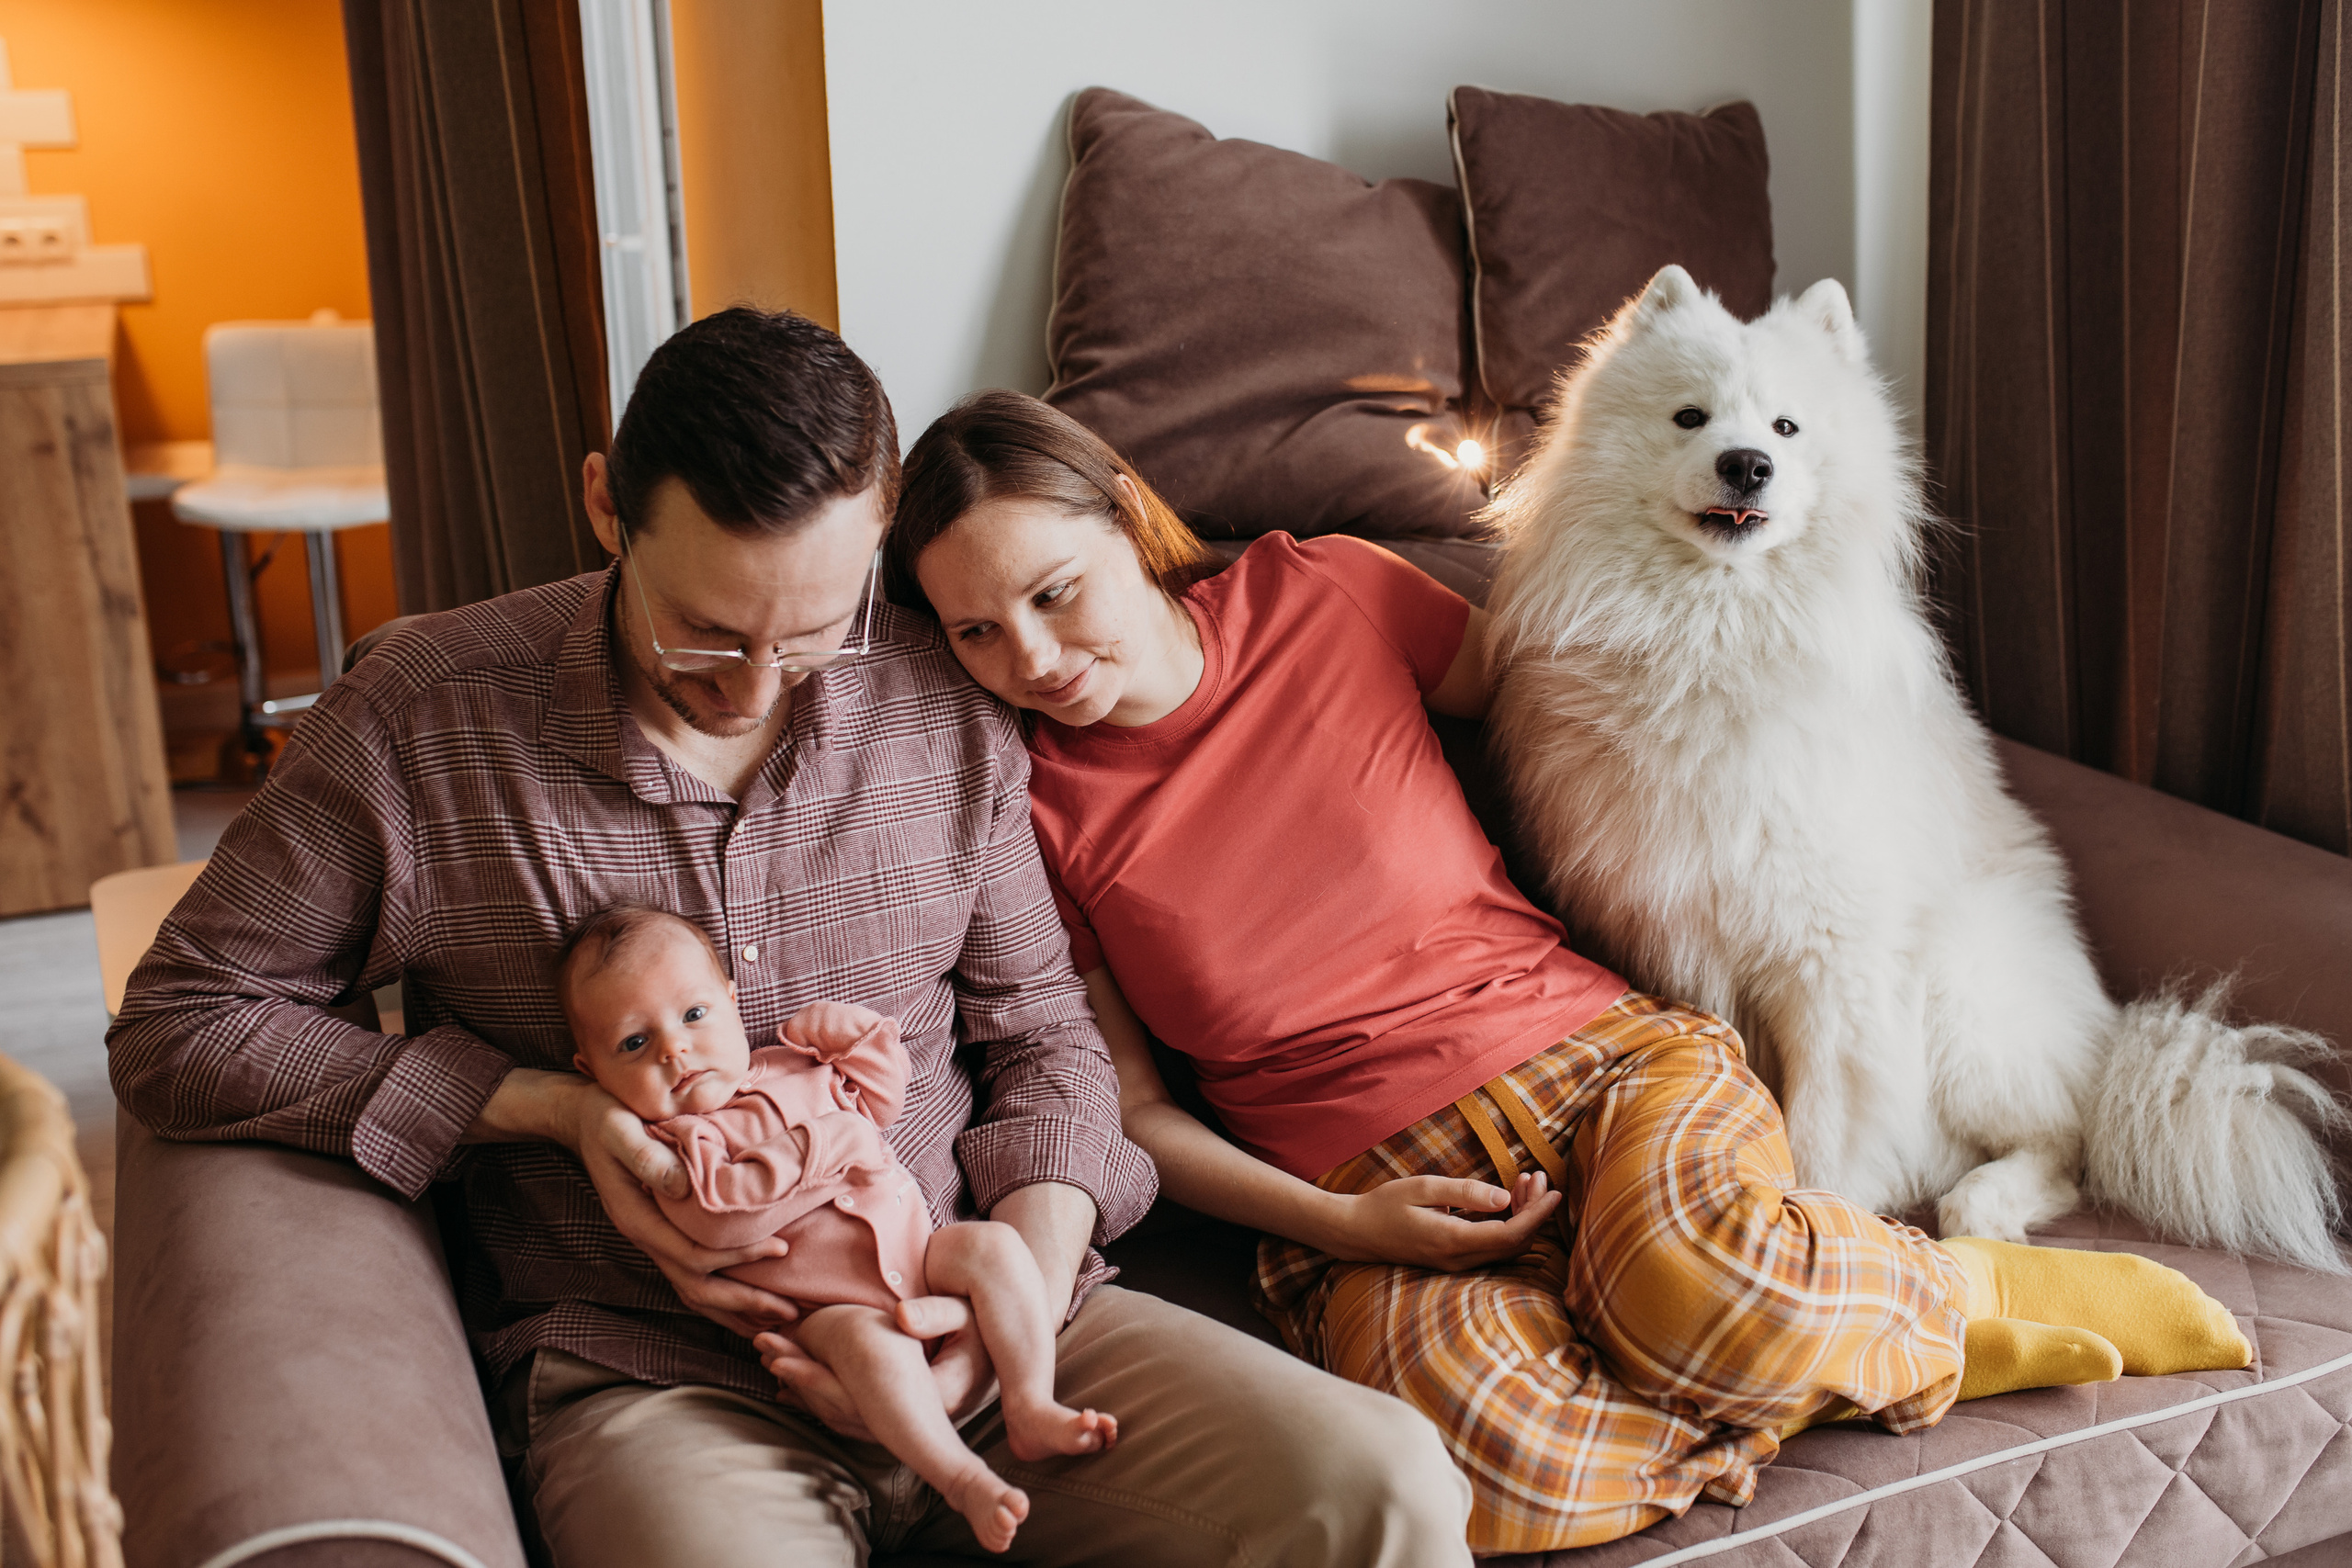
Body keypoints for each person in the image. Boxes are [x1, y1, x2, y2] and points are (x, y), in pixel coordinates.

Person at [107, 310, 1475, 1567]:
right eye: (705, 631)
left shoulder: (946, 698)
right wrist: (540, 1106)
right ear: (605, 508)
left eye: (817, 634)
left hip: (982, 1309)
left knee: (1387, 1483)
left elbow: (1043, 1036)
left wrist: (1003, 1310)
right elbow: (181, 1020)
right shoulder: (427, 717)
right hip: (662, 1372)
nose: (756, 687)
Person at [887, 389, 2256, 1555]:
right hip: (1371, 1200)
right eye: (977, 633)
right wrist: (1346, 1227)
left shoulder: (1322, 588)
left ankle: (1942, 1299)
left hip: (1598, 1067)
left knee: (1703, 1284)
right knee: (1495, 1471)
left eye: (1054, 593)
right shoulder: (1023, 811)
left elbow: (1574, 690)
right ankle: (1823, 1339)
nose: (1038, 658)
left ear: (1126, 517)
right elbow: (1136, 1114)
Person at [554, 902, 1115, 1553]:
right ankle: (960, 1476)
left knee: (995, 1246)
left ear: (734, 1003)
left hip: (925, 1253)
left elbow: (880, 1100)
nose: (674, 1049)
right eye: (634, 1042)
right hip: (825, 1310)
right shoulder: (677, 1142)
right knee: (873, 1344)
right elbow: (720, 1214)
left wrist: (864, 1039)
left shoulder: (793, 1064)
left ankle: (1029, 1402)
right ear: (590, 1070)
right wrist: (825, 1144)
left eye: (694, 1015)